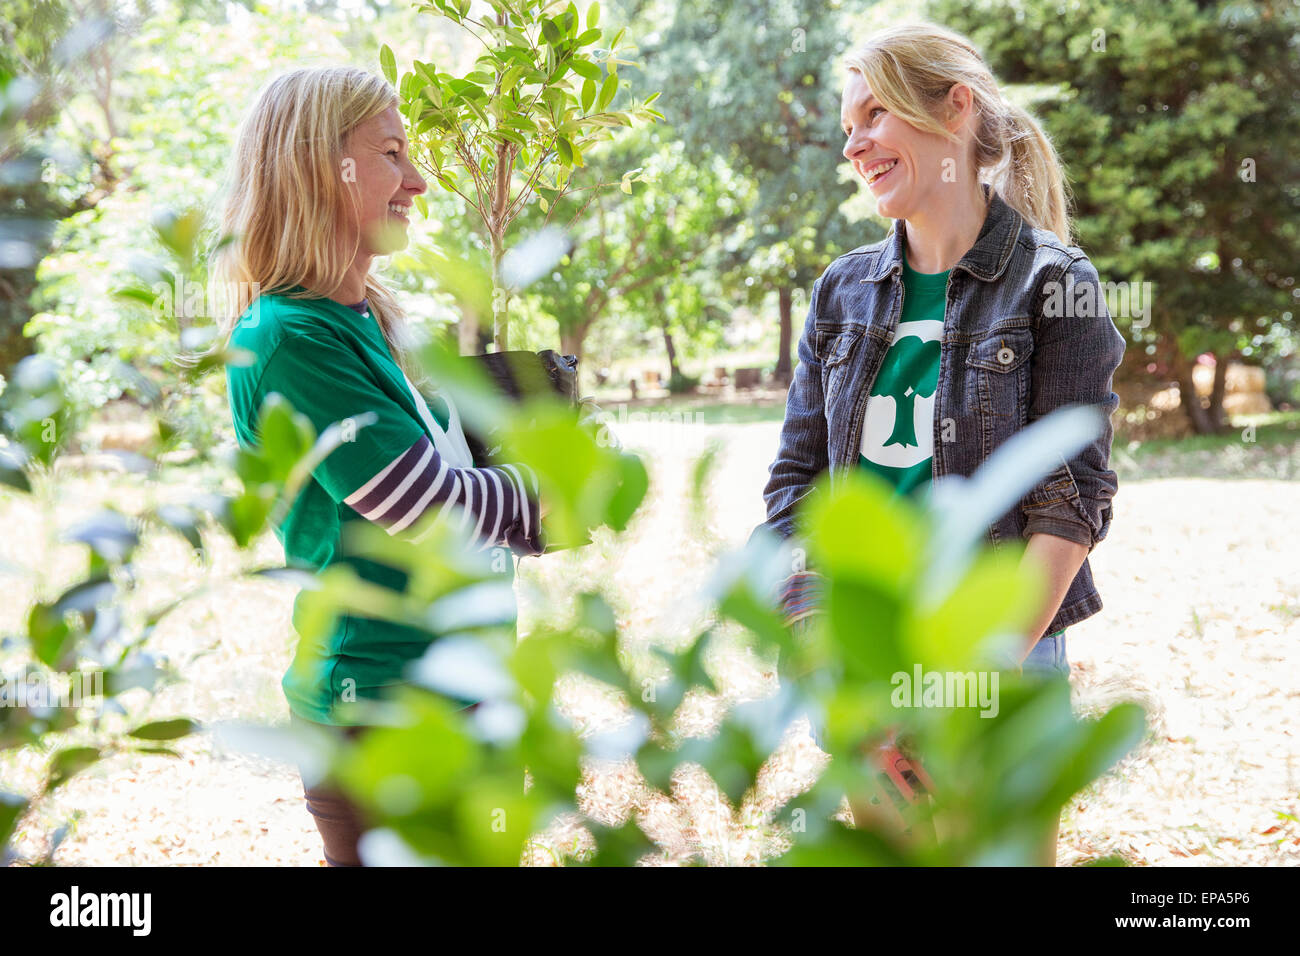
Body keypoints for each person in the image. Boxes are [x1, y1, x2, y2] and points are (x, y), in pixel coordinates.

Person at [760, 23, 1125, 865]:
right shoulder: (842, 289)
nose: (854, 144)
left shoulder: (1054, 284)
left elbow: (1068, 508)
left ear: (955, 108)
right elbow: (796, 490)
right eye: (847, 127)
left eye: (874, 116)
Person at [214, 67, 545, 866]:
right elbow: (423, 507)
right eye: (393, 154)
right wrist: (548, 497)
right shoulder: (290, 335)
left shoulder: (367, 319)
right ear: (323, 167)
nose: (418, 182)